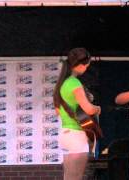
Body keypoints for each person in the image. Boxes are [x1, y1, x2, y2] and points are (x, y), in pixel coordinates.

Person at [53, 48, 101, 180]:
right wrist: (97, 108)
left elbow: (57, 111)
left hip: (65, 134)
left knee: (68, 177)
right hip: (77, 136)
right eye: (86, 65)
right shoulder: (74, 83)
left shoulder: (61, 83)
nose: (86, 68)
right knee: (76, 177)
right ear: (80, 65)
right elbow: (89, 109)